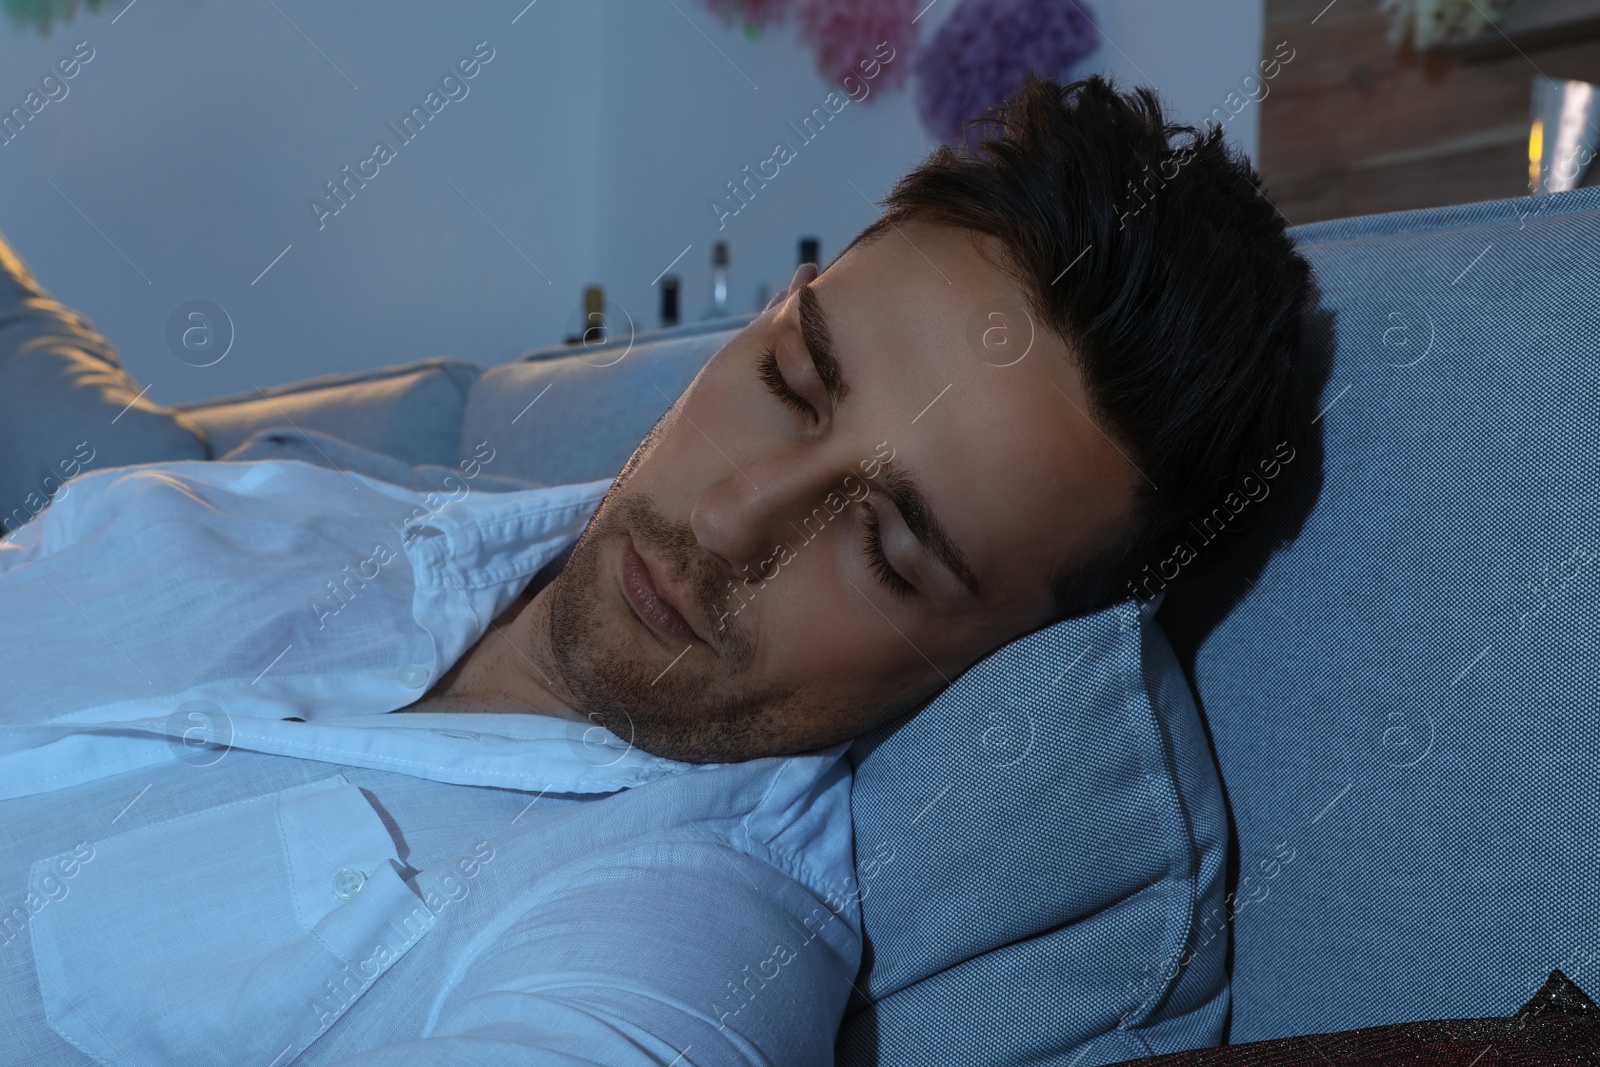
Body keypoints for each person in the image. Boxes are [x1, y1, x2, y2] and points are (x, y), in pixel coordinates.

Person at [0, 73, 1313, 1065]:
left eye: (883, 549)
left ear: (998, 656)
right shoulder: (255, 516)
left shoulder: (671, 950)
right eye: (793, 383)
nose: (738, 519)